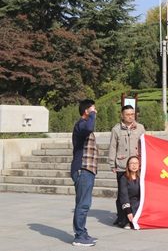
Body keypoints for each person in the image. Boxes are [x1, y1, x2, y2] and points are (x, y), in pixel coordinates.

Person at [108, 105, 145, 228]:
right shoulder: (116, 129)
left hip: (136, 166)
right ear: (122, 115)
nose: (130, 117)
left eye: (132, 114)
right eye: (127, 114)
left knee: (137, 191)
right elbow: (113, 147)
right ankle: (121, 217)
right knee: (122, 194)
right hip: (122, 165)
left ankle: (136, 214)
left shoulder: (140, 128)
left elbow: (145, 145)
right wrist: (112, 163)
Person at [71, 99, 99, 247]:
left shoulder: (83, 125)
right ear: (87, 111)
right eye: (93, 109)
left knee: (83, 203)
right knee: (83, 204)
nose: (96, 112)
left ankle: (83, 232)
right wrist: (92, 115)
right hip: (82, 170)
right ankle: (79, 236)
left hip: (88, 170)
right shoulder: (81, 125)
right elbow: (89, 127)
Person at [119, 156, 141, 229]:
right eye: (132, 163)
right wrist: (128, 211)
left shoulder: (142, 176)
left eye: (136, 163)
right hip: (129, 203)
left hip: (140, 202)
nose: (134, 165)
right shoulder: (124, 178)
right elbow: (124, 195)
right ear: (128, 165)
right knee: (134, 206)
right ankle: (128, 221)